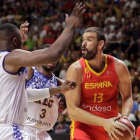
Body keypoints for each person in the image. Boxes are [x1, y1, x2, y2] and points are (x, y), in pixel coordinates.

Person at [0, 3, 86, 139]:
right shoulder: (12, 60)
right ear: (15, 41)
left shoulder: (7, 62)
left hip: (37, 131)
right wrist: (70, 26)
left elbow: (24, 92)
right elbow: (54, 53)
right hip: (15, 129)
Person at [65, 27, 134, 140]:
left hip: (111, 127)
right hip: (84, 128)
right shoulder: (76, 69)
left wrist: (125, 116)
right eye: (83, 39)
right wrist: (103, 122)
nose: (83, 44)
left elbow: (127, 97)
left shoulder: (119, 66)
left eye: (89, 39)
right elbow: (72, 111)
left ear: (100, 44)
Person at [24, 44, 69, 139]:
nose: (52, 59)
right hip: (24, 130)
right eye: (48, 55)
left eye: (54, 56)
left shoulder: (58, 82)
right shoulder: (29, 72)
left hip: (43, 134)